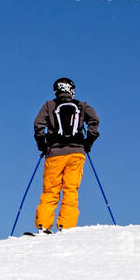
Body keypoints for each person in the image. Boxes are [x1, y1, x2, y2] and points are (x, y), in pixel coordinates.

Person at [33, 78, 101, 233]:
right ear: (72, 90)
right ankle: (67, 226)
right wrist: (88, 142)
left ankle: (43, 226)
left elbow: (38, 125)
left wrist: (42, 145)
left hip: (54, 154)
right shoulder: (82, 106)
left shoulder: (49, 105)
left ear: (56, 90)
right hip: (77, 153)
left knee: (50, 190)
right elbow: (95, 121)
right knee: (71, 190)